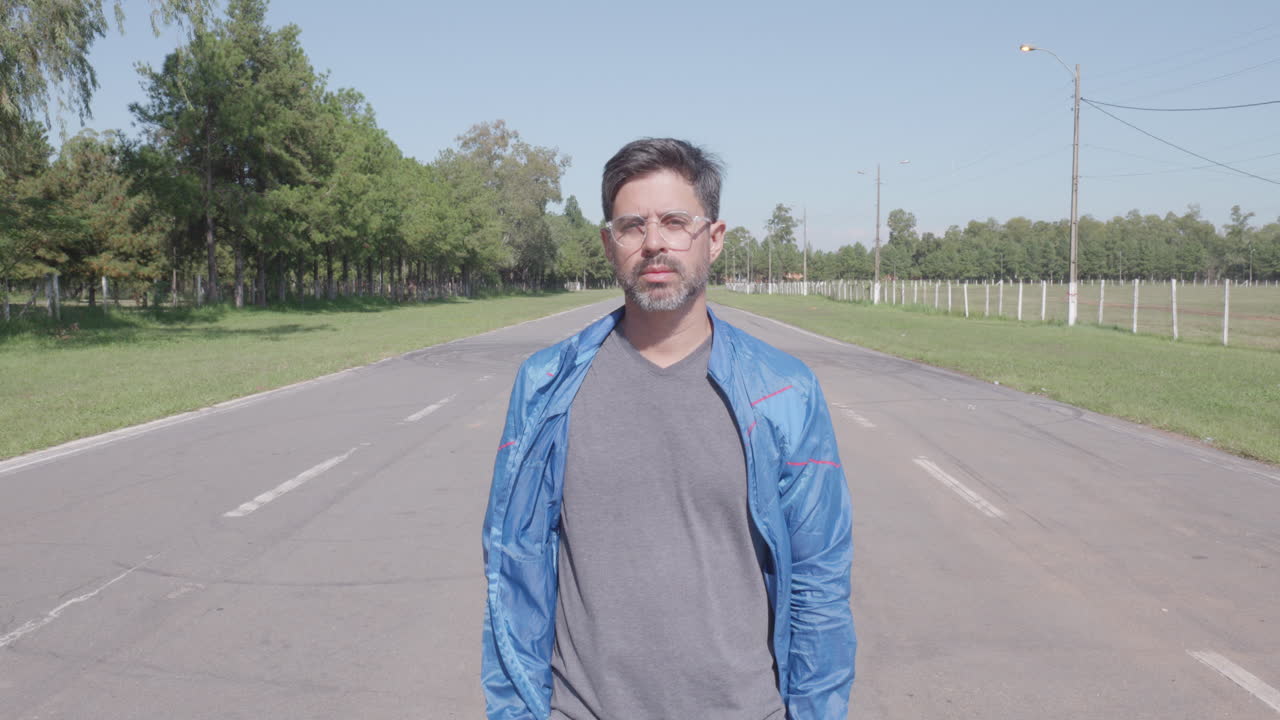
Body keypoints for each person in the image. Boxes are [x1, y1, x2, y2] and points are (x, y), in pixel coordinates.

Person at [481, 138, 855, 720]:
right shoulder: (546, 386)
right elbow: (512, 570)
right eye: (632, 226)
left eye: (676, 221)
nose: (654, 241)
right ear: (610, 244)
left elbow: (818, 581)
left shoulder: (784, 391)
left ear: (715, 236)